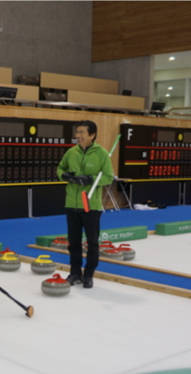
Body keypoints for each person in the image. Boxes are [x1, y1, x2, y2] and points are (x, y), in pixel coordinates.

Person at [56, 120, 114, 289]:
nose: (78, 135)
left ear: (92, 135)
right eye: (77, 132)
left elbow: (108, 177)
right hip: (71, 204)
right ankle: (75, 273)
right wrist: (65, 176)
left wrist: (90, 179)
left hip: (91, 205)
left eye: (82, 132)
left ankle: (88, 274)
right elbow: (60, 169)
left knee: (92, 243)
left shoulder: (101, 154)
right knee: (73, 243)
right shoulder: (71, 152)